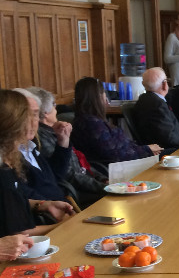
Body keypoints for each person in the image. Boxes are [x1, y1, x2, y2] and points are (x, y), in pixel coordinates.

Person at [0, 90, 75, 238]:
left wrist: (42, 204)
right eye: (28, 115)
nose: (35, 122)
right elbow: (19, 234)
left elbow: (10, 202)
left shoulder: (11, 159)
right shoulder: (3, 168)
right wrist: (65, 225)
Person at [28, 86, 107, 205]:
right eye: (54, 105)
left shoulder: (54, 131)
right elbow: (70, 175)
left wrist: (103, 179)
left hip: (88, 185)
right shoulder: (40, 139)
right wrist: (105, 187)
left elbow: (81, 165)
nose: (57, 109)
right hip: (78, 193)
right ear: (45, 113)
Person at [72, 77, 162, 162]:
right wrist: (147, 150)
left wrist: (146, 148)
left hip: (133, 157)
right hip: (121, 167)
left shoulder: (88, 120)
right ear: (97, 97)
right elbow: (115, 155)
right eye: (103, 92)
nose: (105, 96)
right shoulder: (92, 124)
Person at [12, 88, 70, 202]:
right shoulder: (9, 157)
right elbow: (24, 194)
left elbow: (55, 176)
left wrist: (63, 143)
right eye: (26, 115)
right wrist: (47, 206)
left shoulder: (31, 147)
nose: (33, 122)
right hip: (47, 216)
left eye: (35, 115)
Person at [133, 67, 179, 150]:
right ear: (164, 84)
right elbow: (169, 138)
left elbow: (170, 127)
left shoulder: (145, 98)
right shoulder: (157, 104)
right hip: (167, 151)